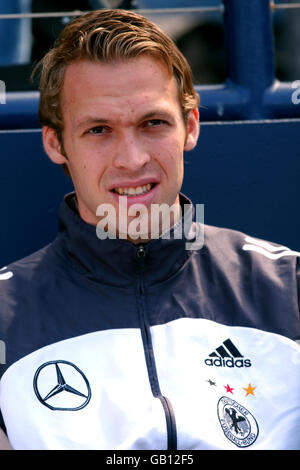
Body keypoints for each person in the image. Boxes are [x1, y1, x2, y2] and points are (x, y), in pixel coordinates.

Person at [0, 9, 299, 451]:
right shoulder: (5, 316)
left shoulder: (287, 287)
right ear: (55, 143)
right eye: (99, 129)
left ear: (190, 126)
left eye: (152, 123)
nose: (131, 158)